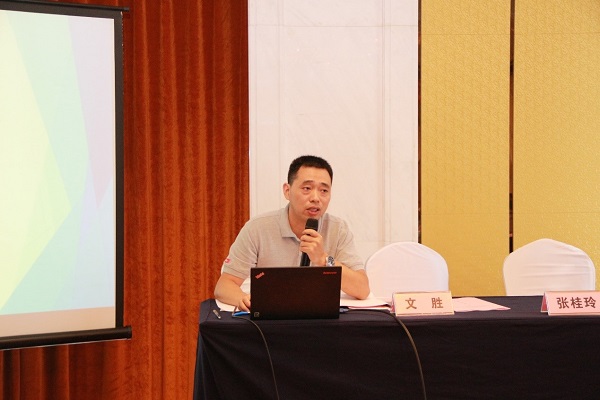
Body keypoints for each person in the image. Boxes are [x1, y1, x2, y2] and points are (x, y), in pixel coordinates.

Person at [214, 155, 370, 311]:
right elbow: (224, 286)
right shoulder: (257, 229)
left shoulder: (338, 229)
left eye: (324, 190)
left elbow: (362, 289)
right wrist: (245, 300)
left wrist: (323, 259)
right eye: (307, 188)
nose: (316, 198)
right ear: (287, 191)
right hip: (270, 319)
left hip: (319, 319)